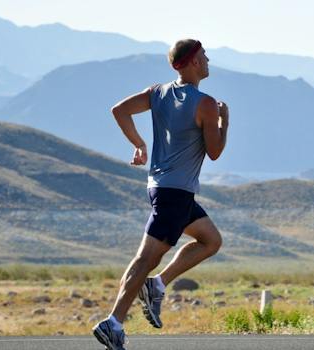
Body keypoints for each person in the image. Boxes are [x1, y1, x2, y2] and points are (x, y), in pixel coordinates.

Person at [93, 38, 228, 350]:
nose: (208, 61)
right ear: (194, 61)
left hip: (162, 188)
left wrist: (138, 143)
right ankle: (113, 321)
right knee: (145, 258)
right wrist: (225, 122)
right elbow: (216, 151)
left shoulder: (157, 93)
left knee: (211, 241)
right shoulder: (205, 104)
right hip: (175, 195)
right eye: (205, 56)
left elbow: (120, 110)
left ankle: (157, 285)